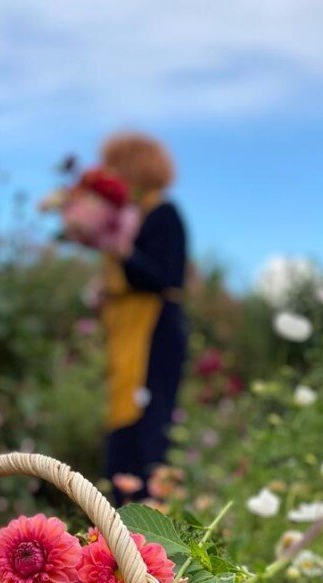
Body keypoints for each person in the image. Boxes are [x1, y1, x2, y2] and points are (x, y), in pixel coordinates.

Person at [100, 132, 188, 505]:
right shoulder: (132, 218)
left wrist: (125, 254)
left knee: (149, 423)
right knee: (126, 422)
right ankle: (116, 524)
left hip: (156, 332)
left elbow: (166, 275)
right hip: (132, 329)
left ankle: (149, 526)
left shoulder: (164, 215)